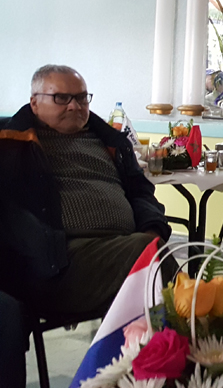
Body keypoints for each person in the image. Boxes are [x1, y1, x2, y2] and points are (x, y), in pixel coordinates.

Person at [0, 65, 172, 385]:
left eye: (81, 98)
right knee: (148, 257)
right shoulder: (12, 145)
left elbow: (141, 193)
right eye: (61, 98)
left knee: (153, 252)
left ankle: (157, 367)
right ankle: (177, 363)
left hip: (119, 251)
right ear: (35, 102)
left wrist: (152, 227)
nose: (74, 106)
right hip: (57, 264)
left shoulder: (108, 141)